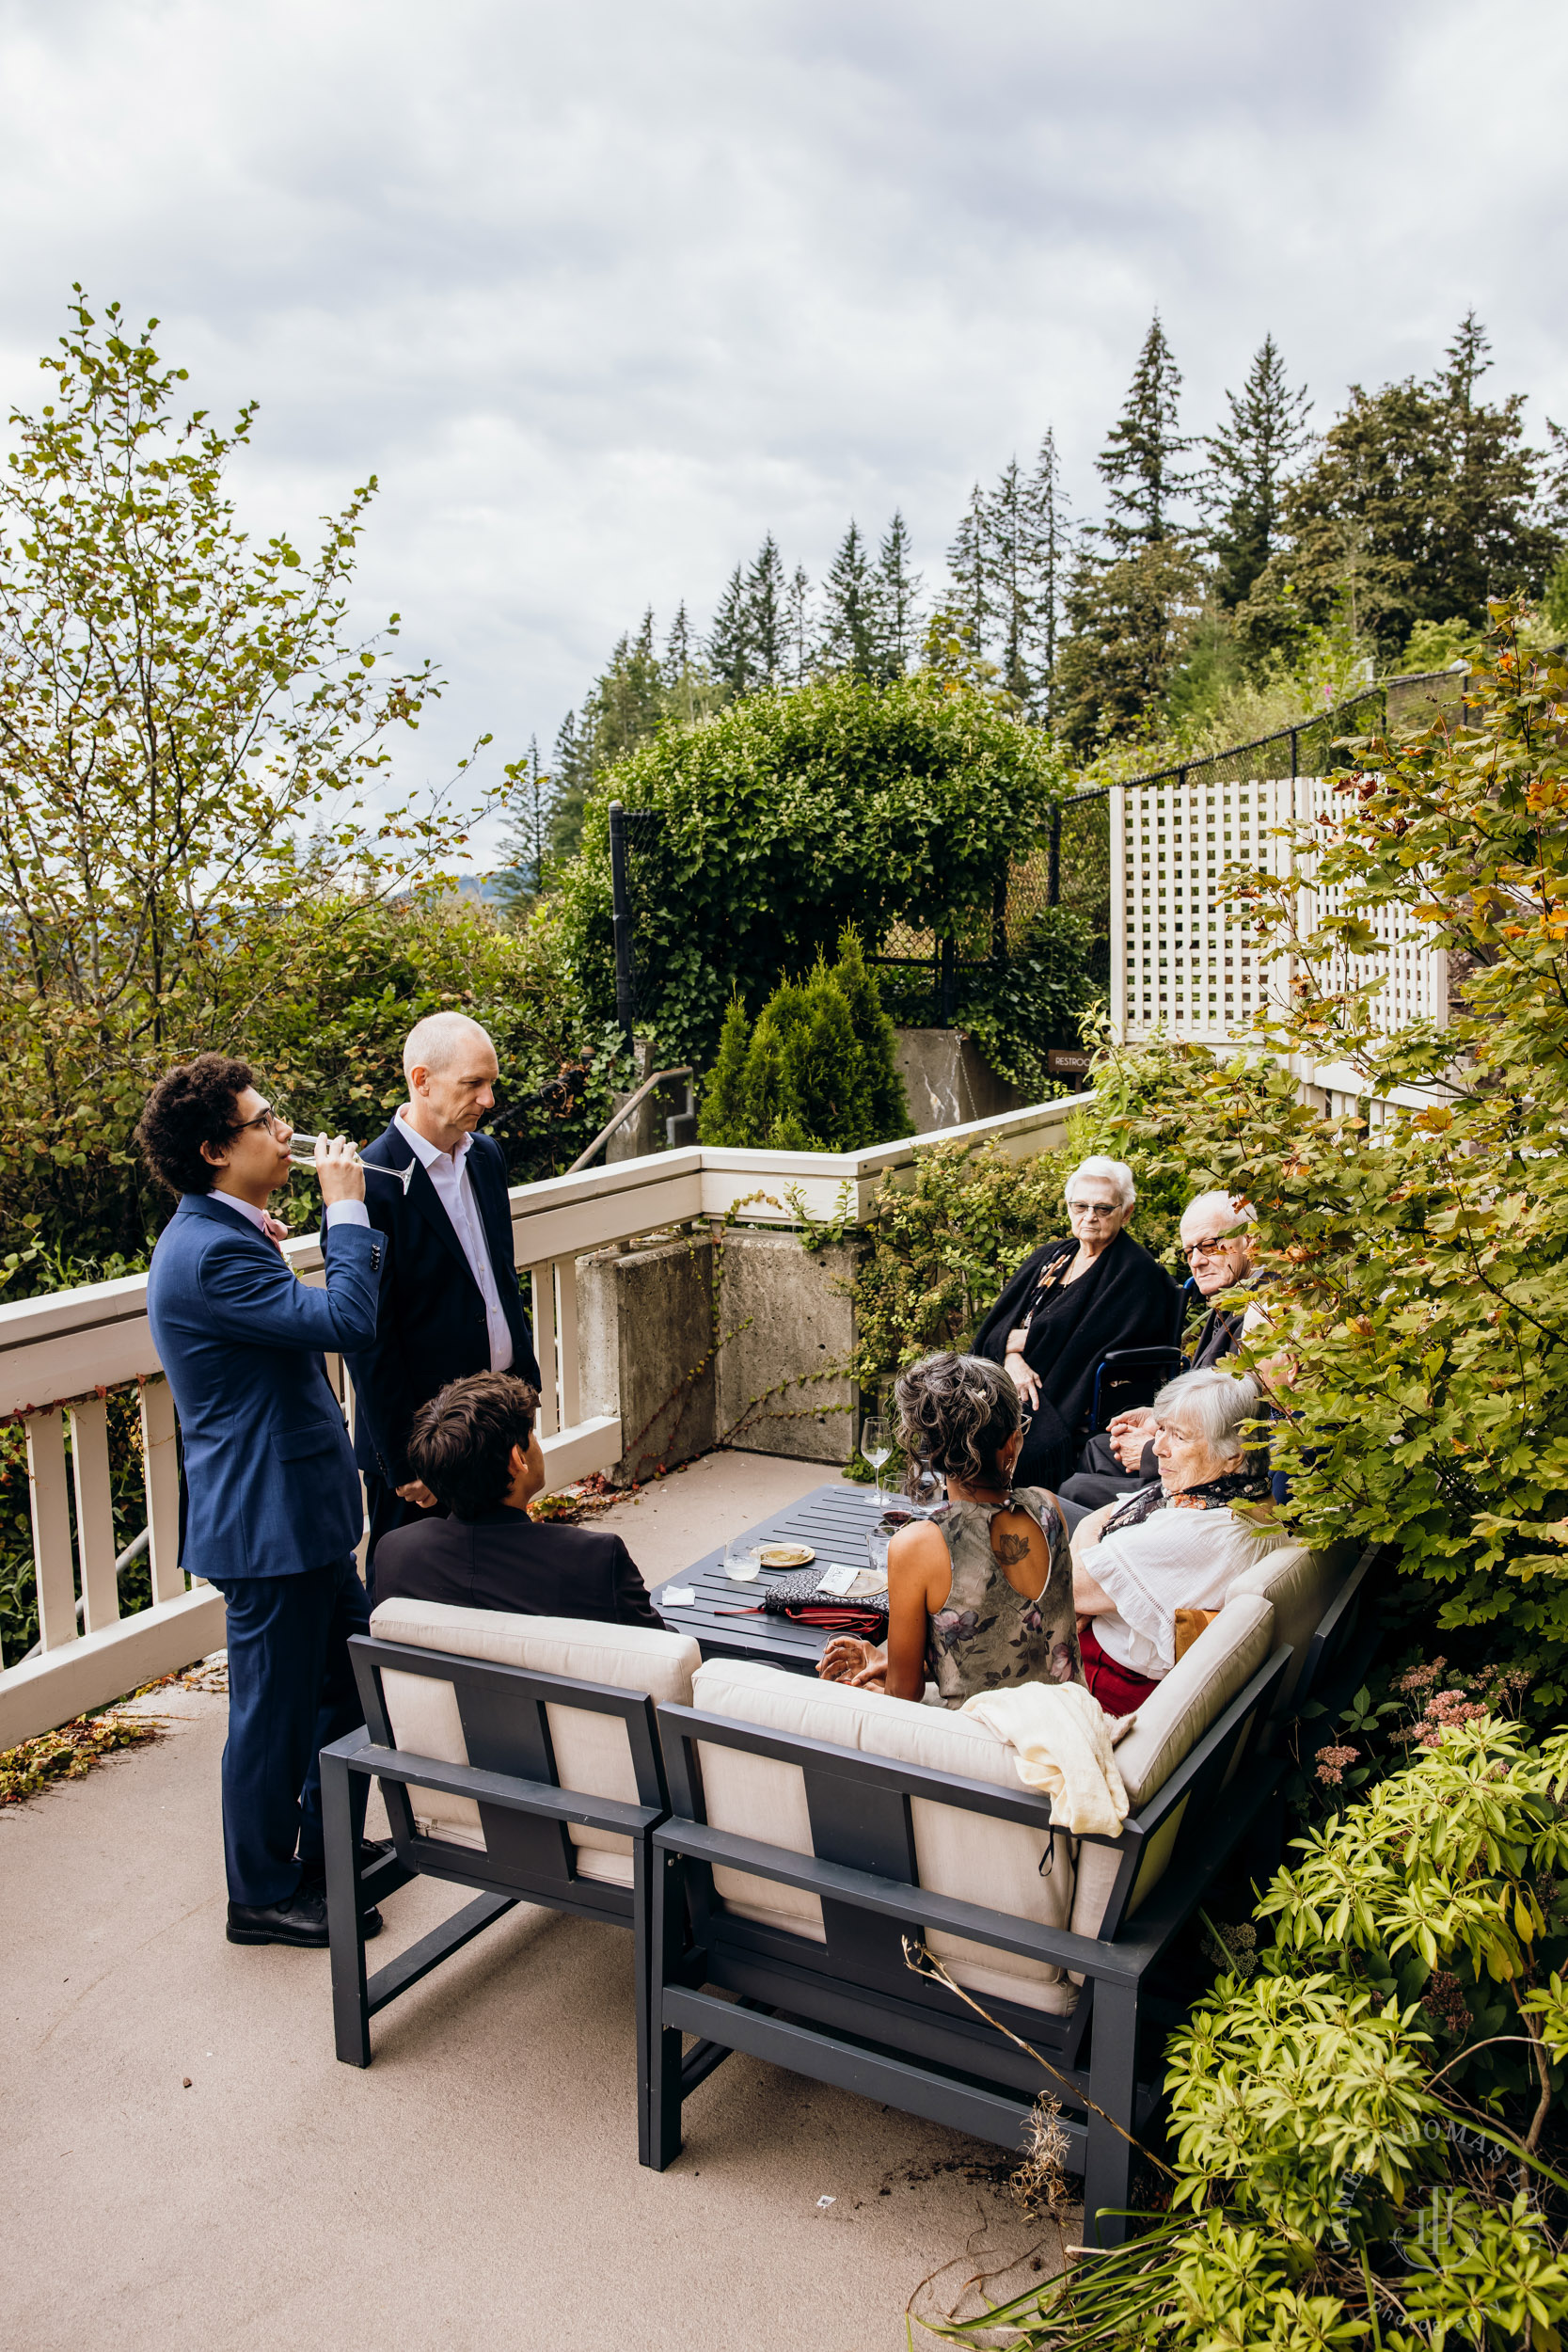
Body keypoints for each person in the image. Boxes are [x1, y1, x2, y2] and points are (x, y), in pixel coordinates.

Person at [138, 1054, 387, 1950]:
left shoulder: (229, 1233)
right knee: (268, 1719)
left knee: (343, 1692)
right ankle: (261, 1895)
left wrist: (276, 1239)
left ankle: (321, 1849)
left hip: (301, 1511)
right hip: (266, 1523)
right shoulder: (208, 1255)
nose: (286, 1132)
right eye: (266, 1121)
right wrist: (347, 1211)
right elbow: (346, 1323)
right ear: (214, 1149)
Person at [344, 1012, 542, 1594]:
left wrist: (523, 1392)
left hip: (498, 1416)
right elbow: (368, 1339)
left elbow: (498, 1277)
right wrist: (406, 1461)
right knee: (410, 1591)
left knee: (502, 1584)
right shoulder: (365, 1182)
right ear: (422, 1080)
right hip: (427, 1439)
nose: (488, 1098)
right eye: (473, 1084)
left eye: (492, 1083)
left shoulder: (485, 1156)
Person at [816, 1353, 1081, 1708]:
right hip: (1070, 1719)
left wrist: (884, 1679)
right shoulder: (1049, 1508)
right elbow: (1014, 1641)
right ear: (1013, 1442)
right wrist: (889, 1660)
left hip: (982, 1746)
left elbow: (903, 1696)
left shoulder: (918, 1545)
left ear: (931, 1450)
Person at [1070, 1366, 1285, 1717]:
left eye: (1179, 1437)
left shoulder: (1203, 1531)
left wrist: (1083, 1570)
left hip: (1106, 1685)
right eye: (1163, 1430)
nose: (1158, 1447)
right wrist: (1089, 1561)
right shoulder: (1227, 1494)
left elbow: (1071, 1587)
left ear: (1233, 1454)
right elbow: (1108, 1512)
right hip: (1105, 1654)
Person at [372, 1371, 663, 1628]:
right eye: (532, 1434)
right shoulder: (595, 1559)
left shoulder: (396, 1554)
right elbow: (664, 1655)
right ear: (517, 1458)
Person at [971, 1156, 1180, 1492]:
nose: (1090, 1217)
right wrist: (1012, 1358)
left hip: (1057, 1397)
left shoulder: (1135, 1272)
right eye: (1080, 1206)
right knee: (953, 1421)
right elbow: (995, 1324)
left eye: (1103, 1208)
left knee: (986, 1440)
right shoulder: (1051, 1256)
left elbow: (1088, 1342)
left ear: (1126, 1213)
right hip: (1012, 1379)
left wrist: (1019, 1342)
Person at [1058, 1190, 1263, 1518]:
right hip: (1193, 1448)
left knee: (1072, 1490)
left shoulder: (1262, 1316)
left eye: (1210, 1246)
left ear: (1249, 1241)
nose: (1196, 1260)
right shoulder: (1228, 1296)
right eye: (1189, 1251)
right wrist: (1159, 1418)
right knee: (1100, 1445)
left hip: (1215, 1479)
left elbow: (1244, 1433)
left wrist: (1152, 1453)